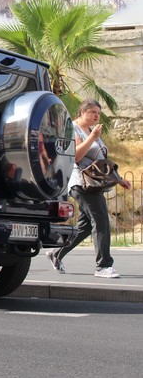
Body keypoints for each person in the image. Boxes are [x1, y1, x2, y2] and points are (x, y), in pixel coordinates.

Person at [46, 99, 131, 278]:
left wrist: (119, 179)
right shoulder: (74, 129)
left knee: (85, 226)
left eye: (98, 113)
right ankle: (103, 266)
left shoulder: (92, 131)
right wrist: (92, 138)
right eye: (93, 112)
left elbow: (100, 162)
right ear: (82, 112)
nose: (96, 116)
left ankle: (56, 254)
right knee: (101, 222)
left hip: (94, 183)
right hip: (80, 182)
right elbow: (76, 155)